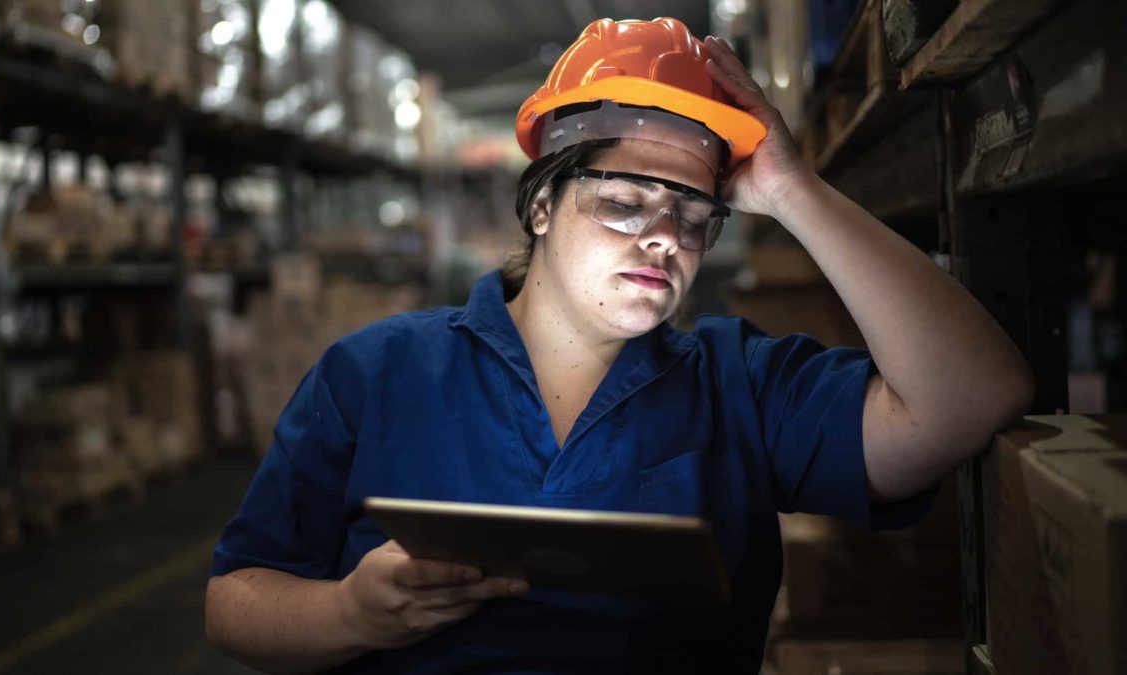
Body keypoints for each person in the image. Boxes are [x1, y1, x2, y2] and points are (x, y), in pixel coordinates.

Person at [205, 17, 1033, 674]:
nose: (666, 237)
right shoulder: (376, 373)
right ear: (541, 205)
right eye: (626, 202)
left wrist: (793, 190)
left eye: (693, 214)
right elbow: (236, 600)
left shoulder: (738, 383)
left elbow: (971, 397)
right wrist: (348, 613)